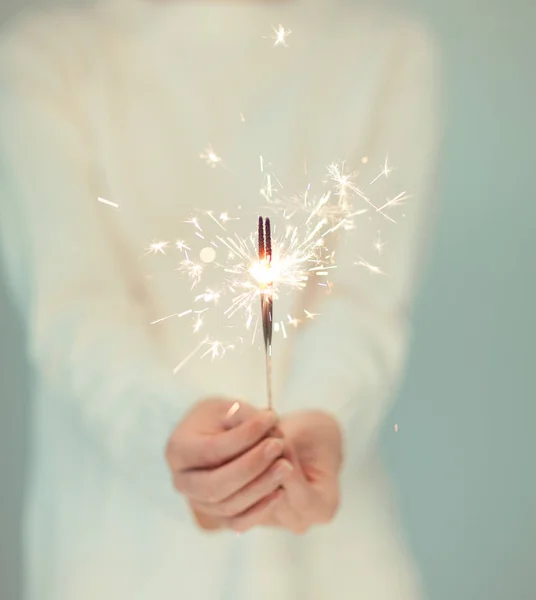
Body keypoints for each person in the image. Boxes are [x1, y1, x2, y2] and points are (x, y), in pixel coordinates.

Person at [0, 0, 440, 598]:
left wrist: (325, 414)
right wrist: (167, 430)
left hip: (332, 553)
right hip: (115, 556)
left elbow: (363, 298)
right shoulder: (41, 52)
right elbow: (72, 304)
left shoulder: (385, 46)